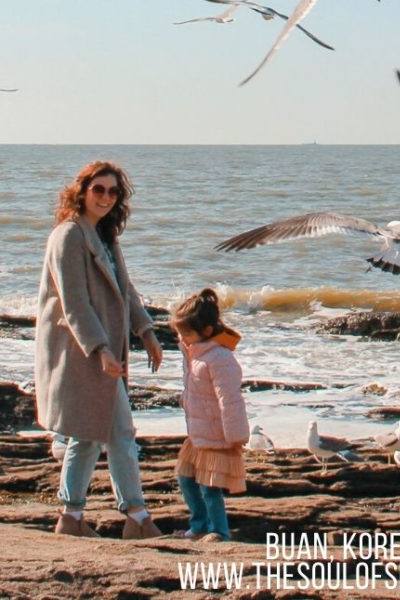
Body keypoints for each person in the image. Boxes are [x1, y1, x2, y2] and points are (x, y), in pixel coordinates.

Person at [35, 160, 164, 539]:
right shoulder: (68, 235)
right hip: (82, 353)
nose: (106, 198)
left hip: (104, 350)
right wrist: (101, 350)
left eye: (113, 192)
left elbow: (126, 291)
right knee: (119, 431)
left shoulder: (105, 236)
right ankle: (137, 518)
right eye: (99, 190)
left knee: (89, 435)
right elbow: (73, 303)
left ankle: (71, 517)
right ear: (82, 191)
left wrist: (146, 331)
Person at [171, 288, 249, 542]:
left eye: (186, 333)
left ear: (205, 332)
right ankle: (199, 525)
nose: (182, 338)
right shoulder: (194, 354)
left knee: (210, 487)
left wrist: (236, 435)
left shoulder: (220, 358)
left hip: (217, 435)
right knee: (186, 478)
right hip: (198, 434)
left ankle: (219, 531)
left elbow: (231, 399)